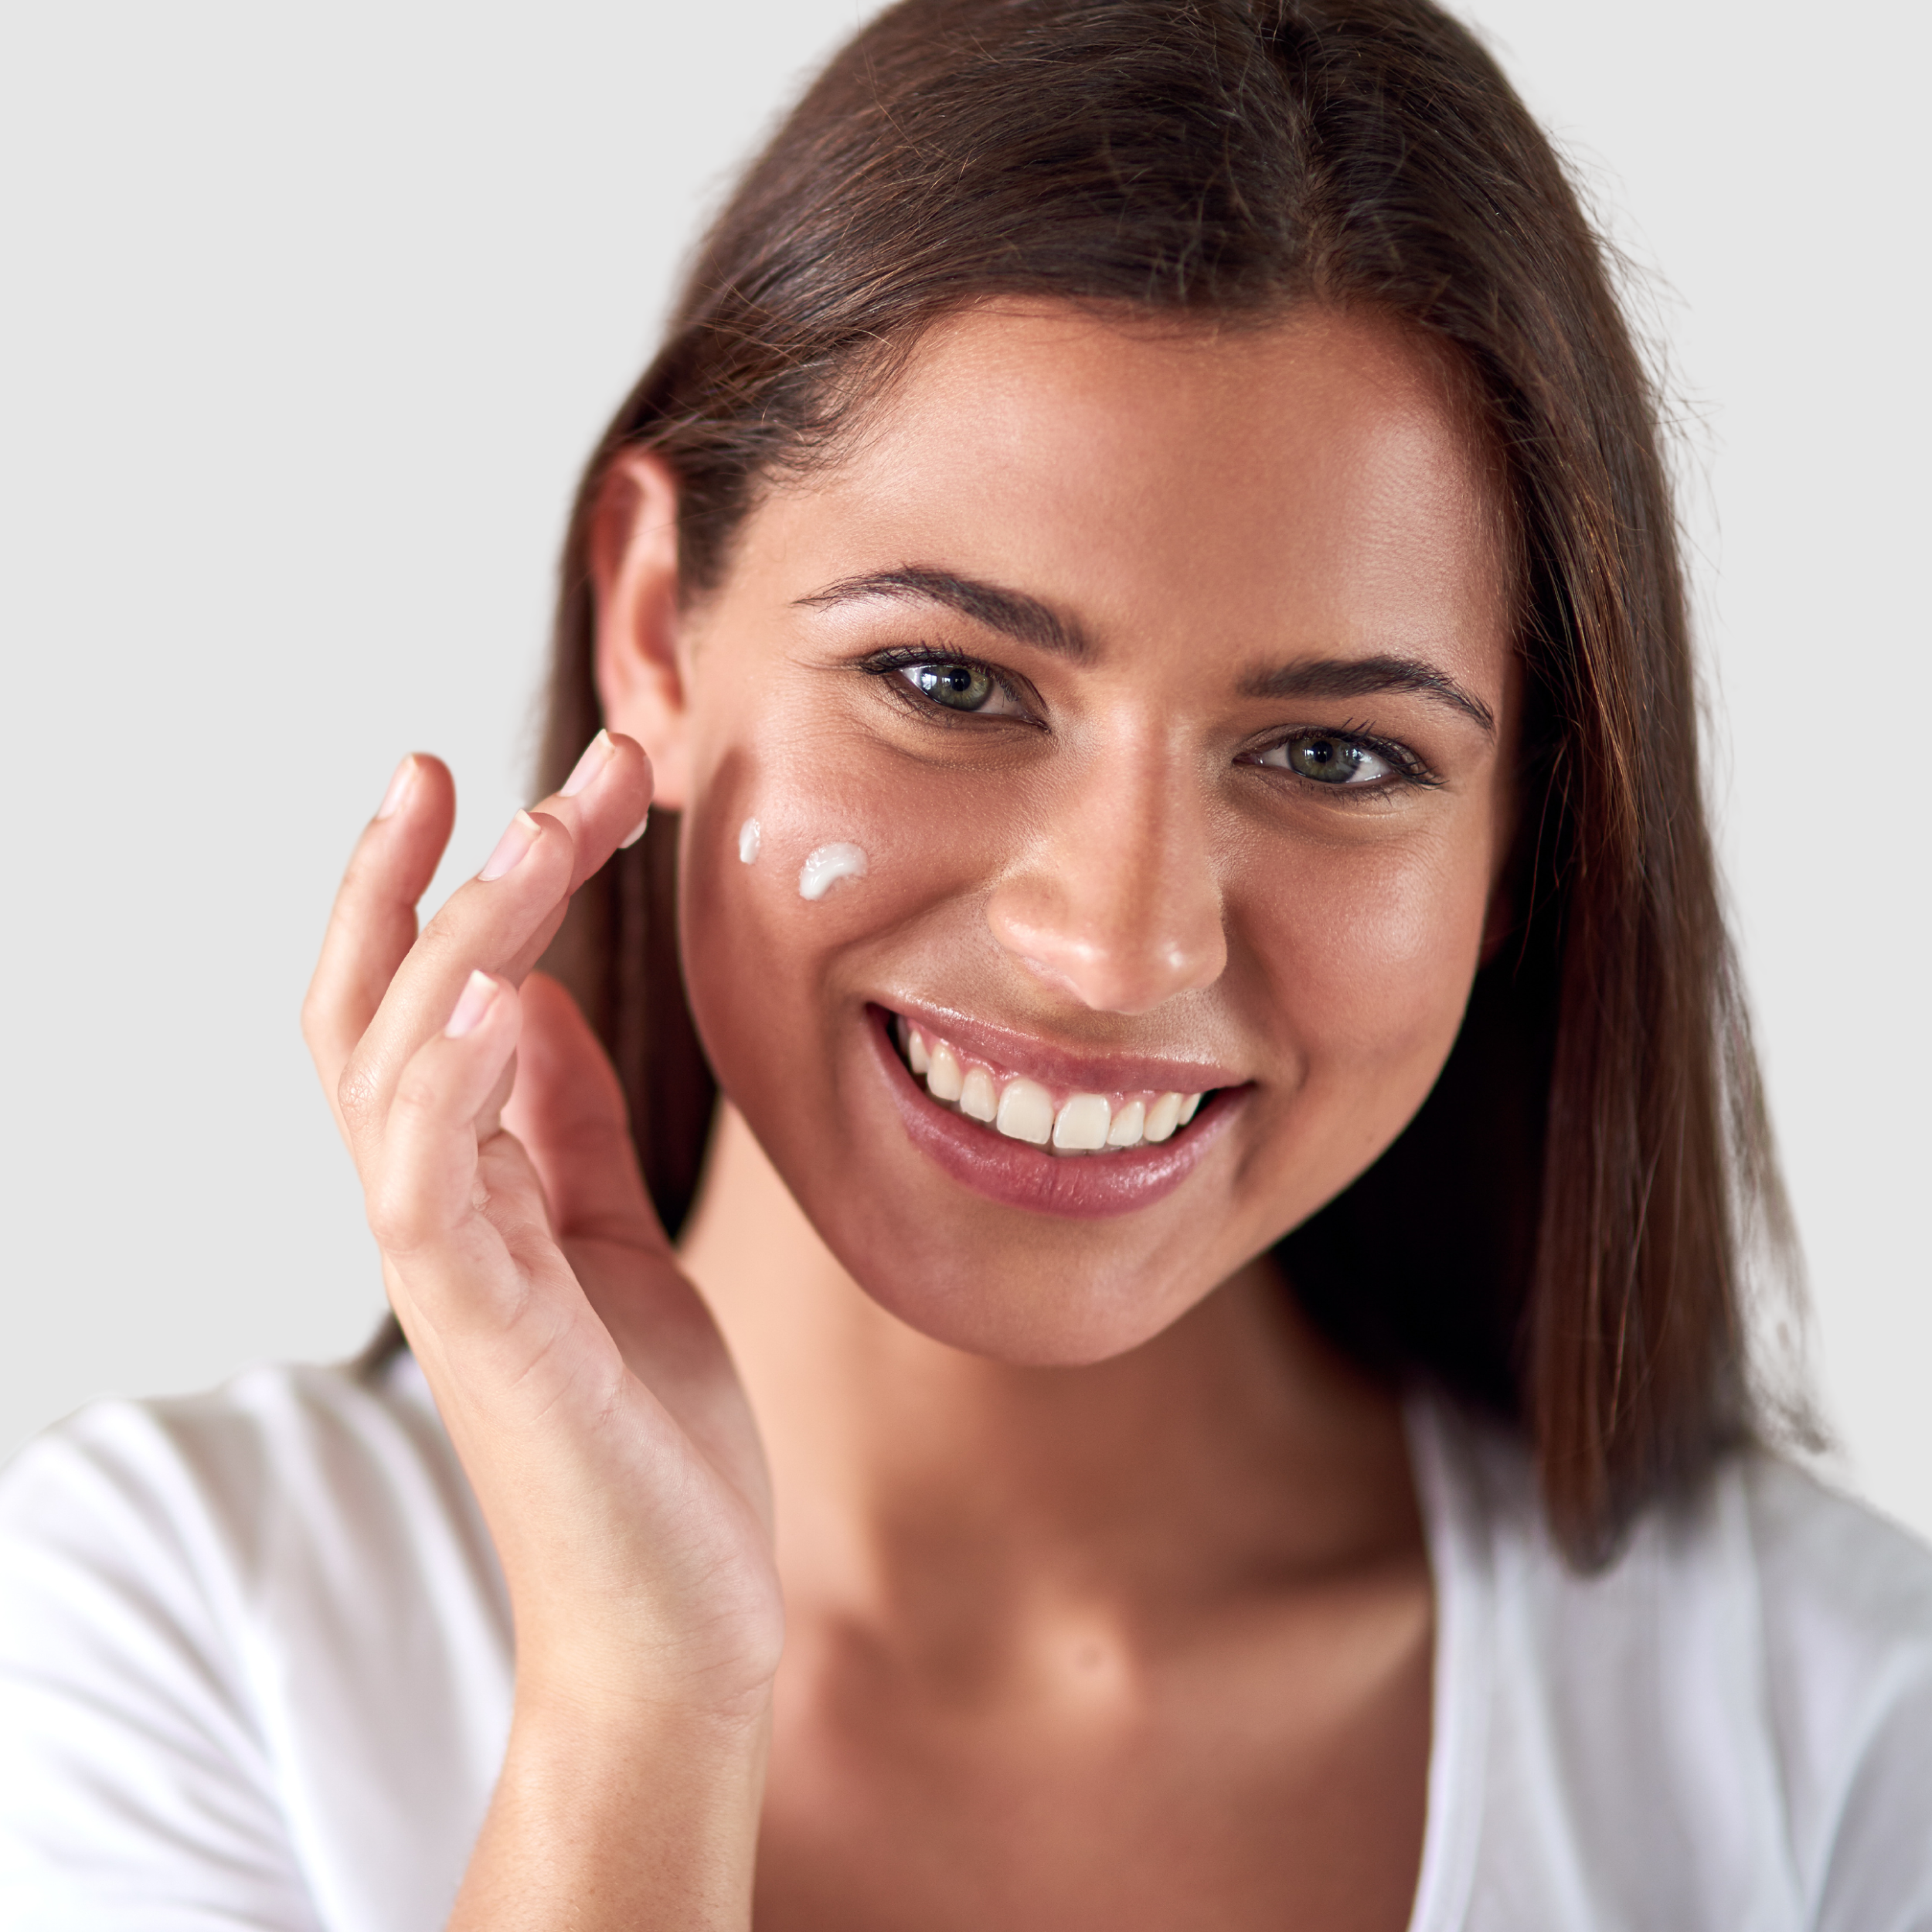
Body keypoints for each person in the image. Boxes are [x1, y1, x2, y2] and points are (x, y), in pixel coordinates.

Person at [3, 0, 1929, 1926]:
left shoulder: (1833, 1742)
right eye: (949, 681)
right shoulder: (173, 1632)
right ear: (658, 623)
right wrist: (644, 1691)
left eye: (1335, 754)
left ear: (1525, 836)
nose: (1112, 946)